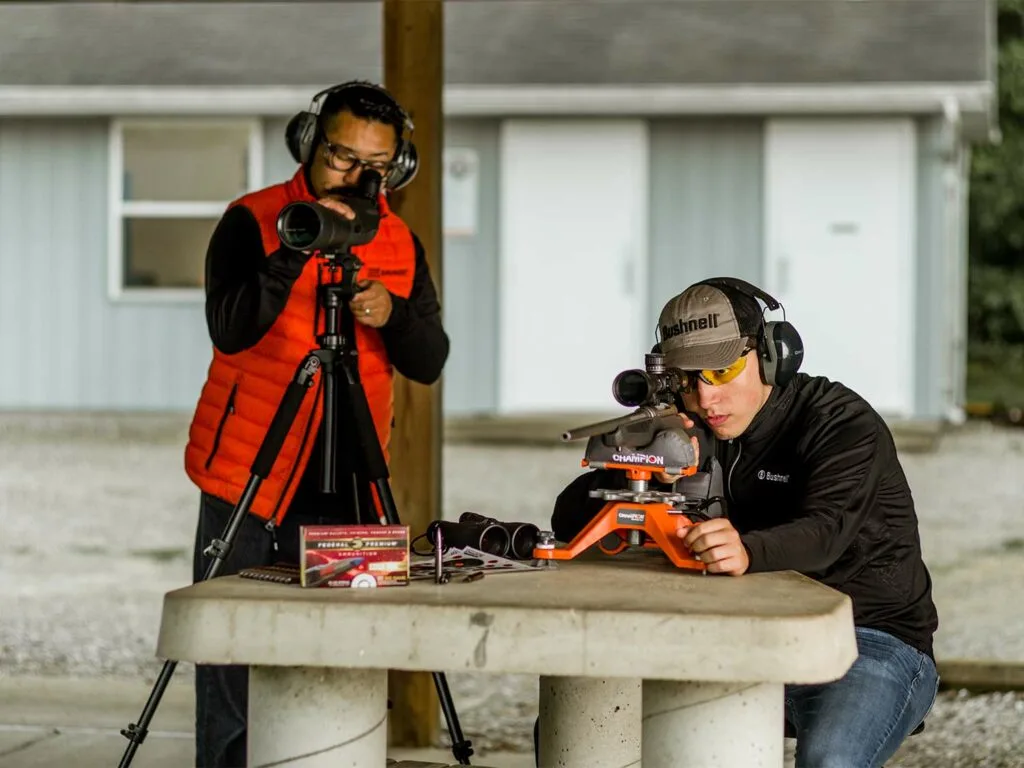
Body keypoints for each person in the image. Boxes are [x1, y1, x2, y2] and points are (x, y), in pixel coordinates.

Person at [549, 276, 939, 768]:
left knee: (831, 760)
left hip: (866, 638)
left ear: (773, 356)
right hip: (735, 631)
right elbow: (569, 515)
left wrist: (749, 550)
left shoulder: (840, 422)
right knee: (586, 722)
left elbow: (825, 533)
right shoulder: (686, 423)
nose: (707, 398)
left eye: (722, 371)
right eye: (689, 379)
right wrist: (649, 468)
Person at [181, 81, 449, 767]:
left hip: (351, 483)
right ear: (308, 144)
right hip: (249, 477)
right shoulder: (251, 219)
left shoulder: (399, 242)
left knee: (346, 656)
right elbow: (231, 331)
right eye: (340, 155)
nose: (357, 177)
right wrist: (298, 246)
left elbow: (429, 360)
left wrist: (392, 317)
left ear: (398, 168)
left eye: (376, 165)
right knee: (231, 656)